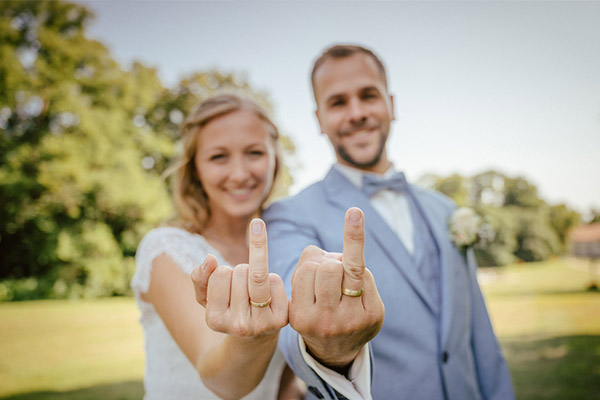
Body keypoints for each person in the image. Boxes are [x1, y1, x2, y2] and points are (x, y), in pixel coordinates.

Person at [263, 44, 515, 400]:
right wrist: (329, 349)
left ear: (391, 105)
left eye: (368, 96)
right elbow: (295, 327)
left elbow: (481, 338)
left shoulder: (445, 209)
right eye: (338, 103)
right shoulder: (289, 216)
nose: (356, 113)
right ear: (319, 119)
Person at [131, 94, 305, 399]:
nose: (239, 174)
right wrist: (256, 335)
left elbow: (286, 384)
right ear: (195, 167)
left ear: (274, 159)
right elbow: (223, 381)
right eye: (218, 157)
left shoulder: (288, 248)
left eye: (254, 153)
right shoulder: (166, 249)